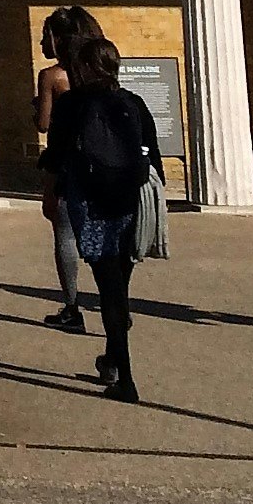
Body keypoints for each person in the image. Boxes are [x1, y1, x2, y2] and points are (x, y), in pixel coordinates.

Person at [41, 36, 162, 403]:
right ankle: (112, 359)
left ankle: (125, 378)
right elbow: (153, 157)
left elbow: (55, 155)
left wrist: (52, 190)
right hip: (129, 203)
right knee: (118, 287)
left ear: (84, 67)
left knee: (108, 288)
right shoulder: (134, 102)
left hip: (92, 205)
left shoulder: (73, 104)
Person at [33, 6, 101, 333]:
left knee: (65, 234)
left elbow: (43, 124)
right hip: (97, 162)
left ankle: (72, 305)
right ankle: (112, 301)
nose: (42, 43)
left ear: (59, 38)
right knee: (99, 236)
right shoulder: (97, 72)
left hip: (64, 162)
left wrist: (37, 108)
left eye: (45, 36)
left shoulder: (52, 76)